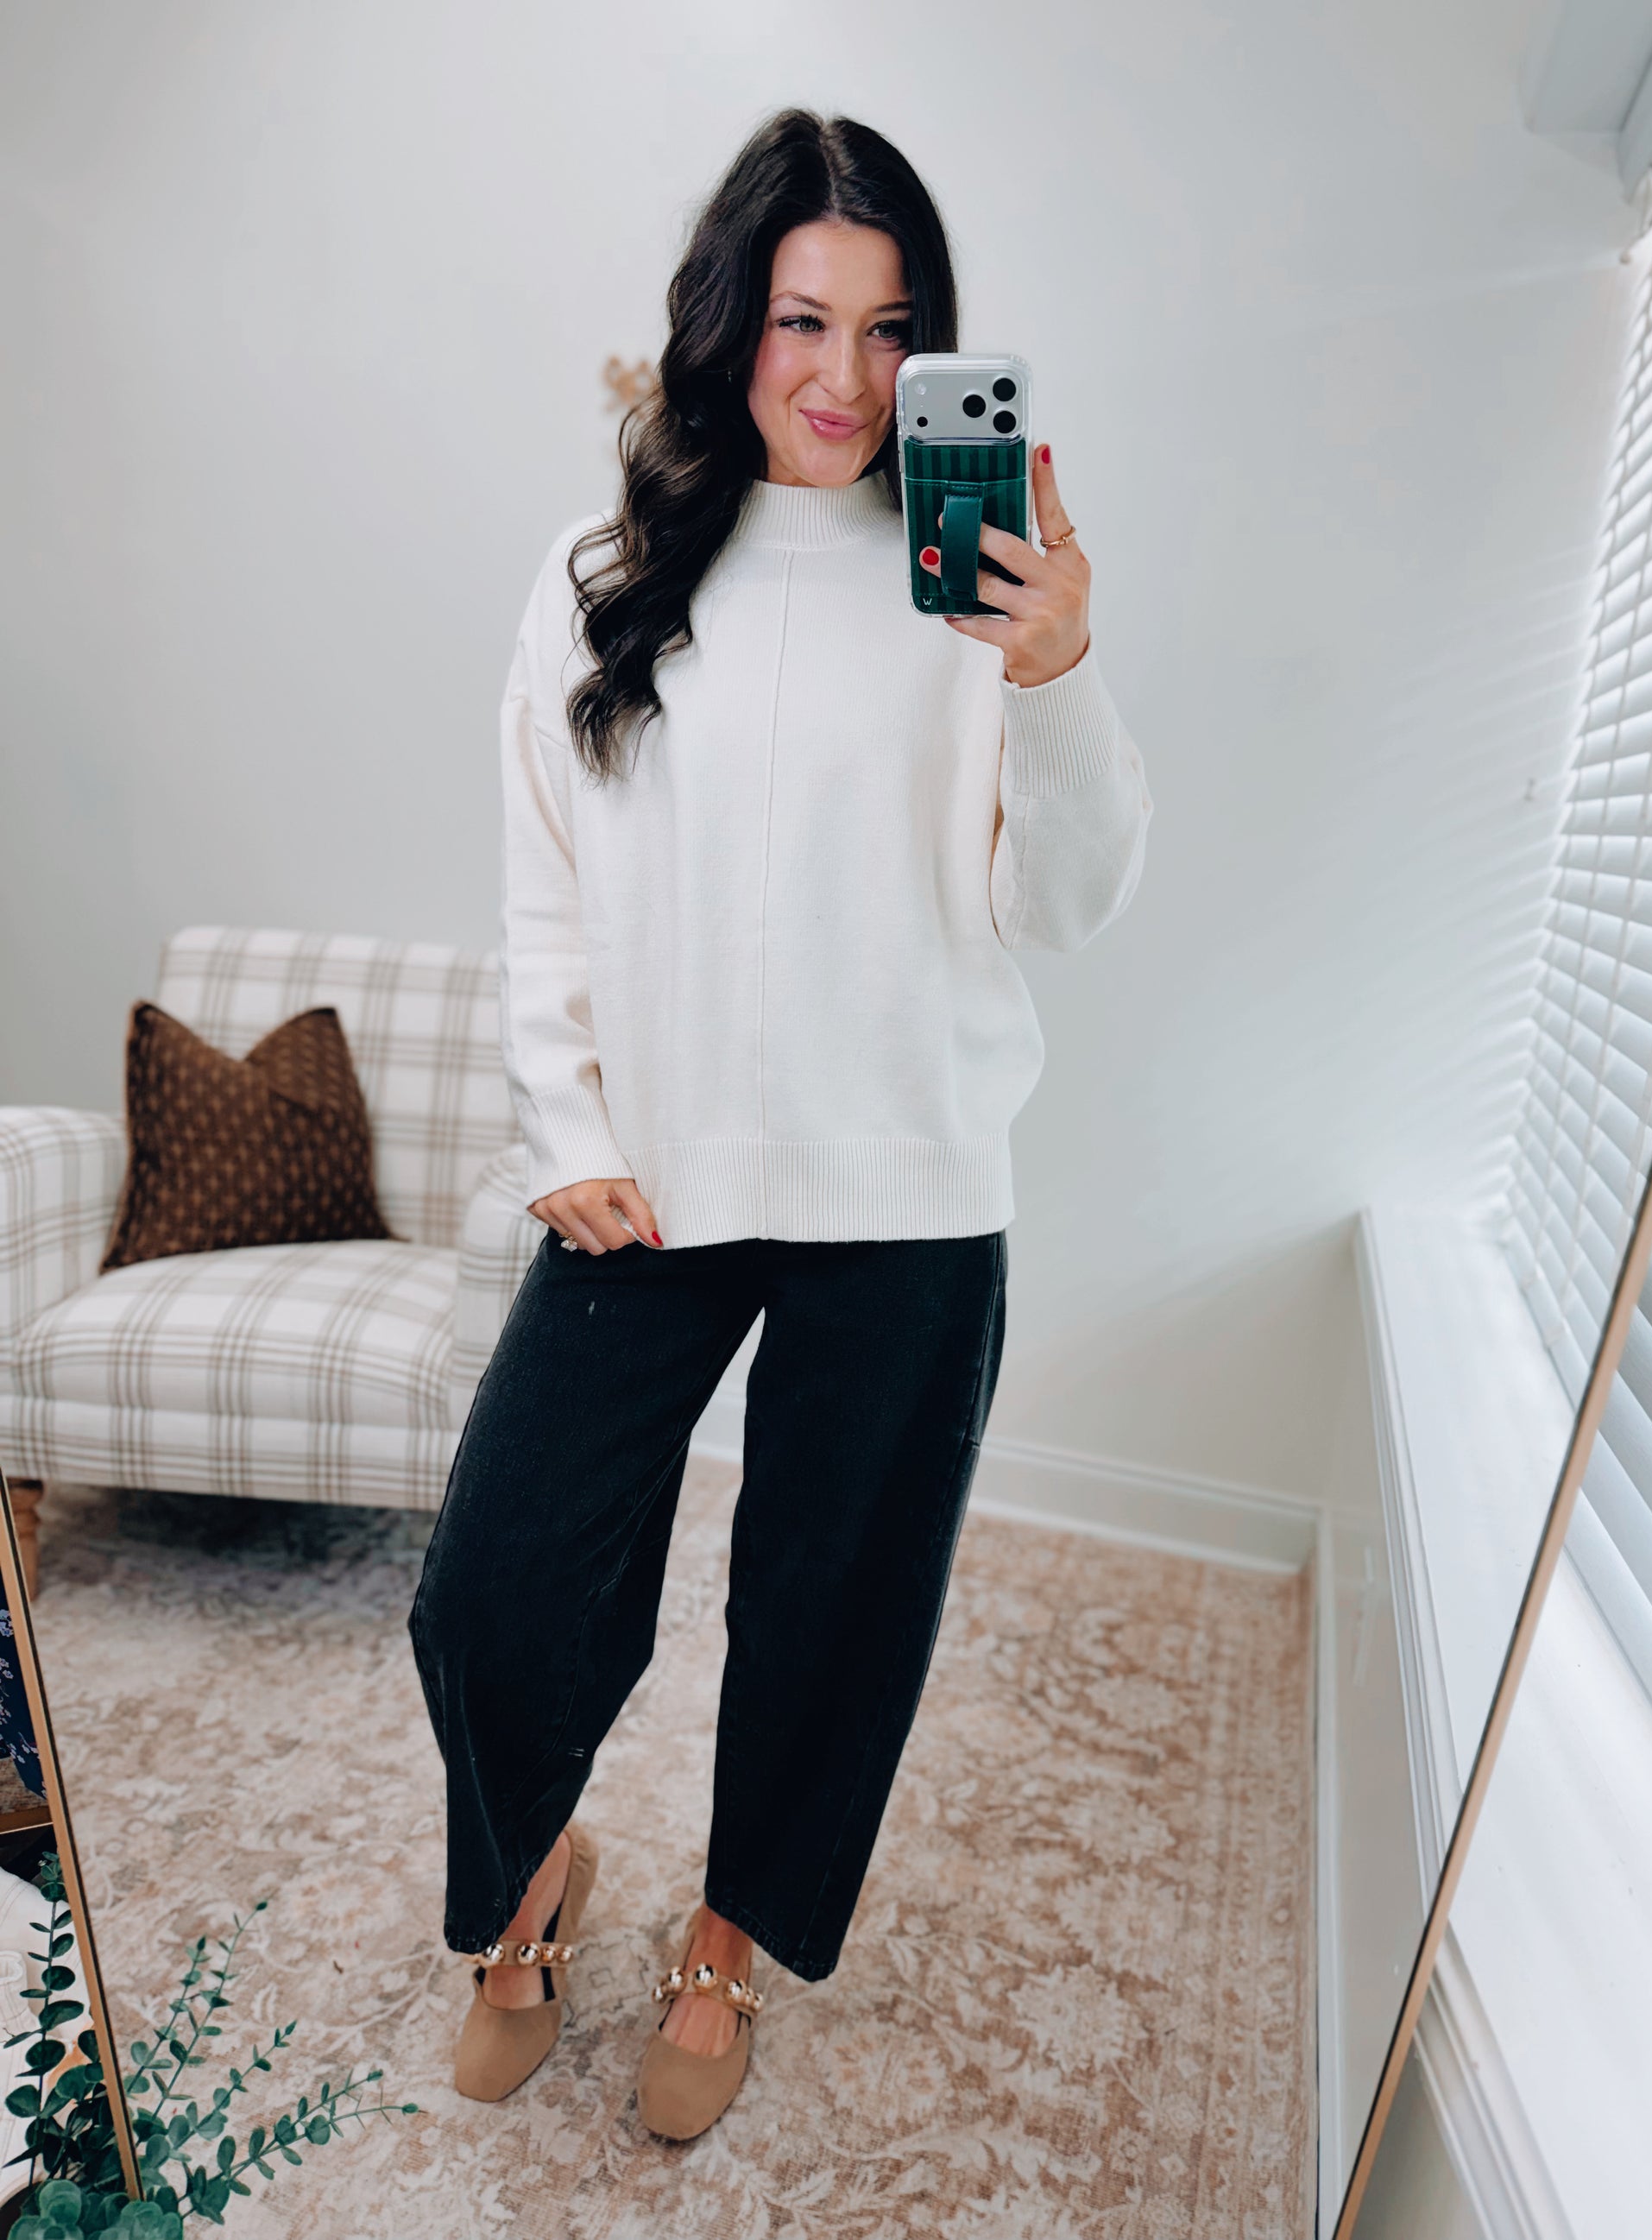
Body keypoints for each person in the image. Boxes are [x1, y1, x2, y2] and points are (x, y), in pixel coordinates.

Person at [407, 105, 1151, 2143]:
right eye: (803, 320)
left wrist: (1059, 673)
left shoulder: (980, 590)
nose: (844, 378)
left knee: (830, 1612)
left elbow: (1068, 902)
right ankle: (528, 1874)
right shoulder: (602, 576)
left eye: (890, 329)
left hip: (906, 1187)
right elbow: (545, 880)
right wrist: (563, 1119)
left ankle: (725, 1940)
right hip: (647, 1179)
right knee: (492, 1585)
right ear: (726, 319)